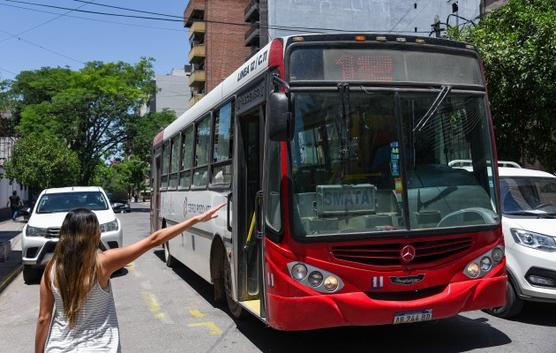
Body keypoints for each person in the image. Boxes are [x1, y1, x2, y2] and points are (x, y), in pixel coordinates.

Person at [34, 203, 225, 353]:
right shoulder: (102, 263)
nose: (100, 232)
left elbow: (44, 318)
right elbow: (154, 240)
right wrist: (195, 219)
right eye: (98, 229)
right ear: (92, 235)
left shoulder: (51, 269)